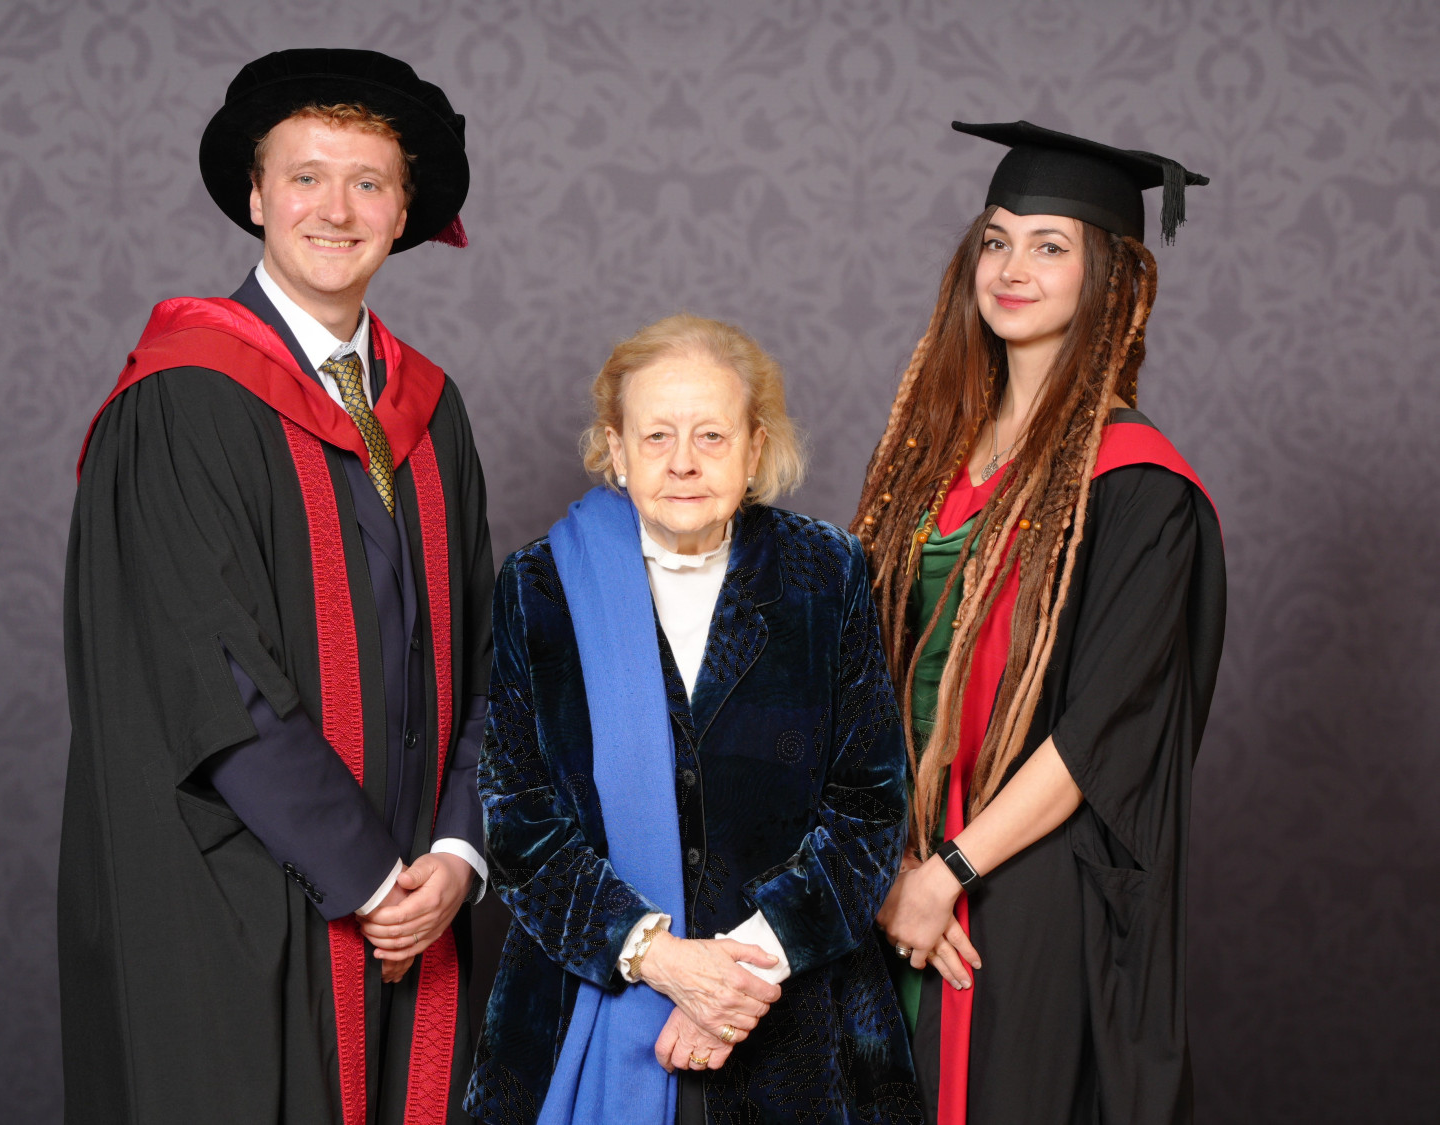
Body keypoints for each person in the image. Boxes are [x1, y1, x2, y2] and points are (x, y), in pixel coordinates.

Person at [60, 49, 494, 1124]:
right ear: (255, 198)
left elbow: (498, 653)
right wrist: (370, 880)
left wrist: (455, 852)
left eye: (368, 183)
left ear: (404, 213)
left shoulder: (432, 412)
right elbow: (214, 675)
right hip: (235, 894)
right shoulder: (184, 400)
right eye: (305, 177)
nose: (335, 210)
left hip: (417, 902)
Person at [850, 121, 1226, 1124]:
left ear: (1110, 279)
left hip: (1028, 888)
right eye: (998, 239)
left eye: (1051, 246)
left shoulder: (1141, 487)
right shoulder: (927, 463)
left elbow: (1105, 729)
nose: (1014, 268)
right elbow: (855, 673)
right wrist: (890, 867)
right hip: (893, 874)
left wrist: (951, 875)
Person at [464, 315, 921, 1124]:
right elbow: (518, 818)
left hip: (798, 1023)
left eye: (712, 434)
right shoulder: (539, 585)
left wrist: (737, 978)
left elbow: (868, 806)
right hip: (589, 1001)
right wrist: (661, 958)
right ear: (615, 447)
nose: (683, 461)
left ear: (756, 447)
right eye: (657, 435)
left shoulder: (828, 572)